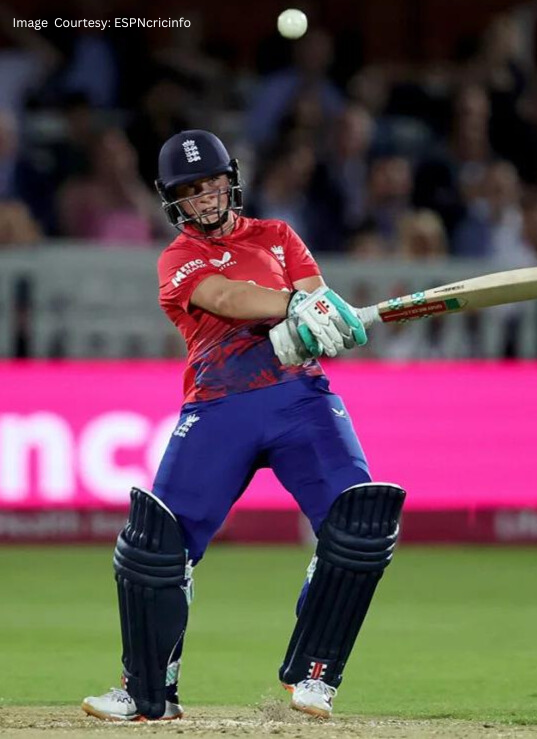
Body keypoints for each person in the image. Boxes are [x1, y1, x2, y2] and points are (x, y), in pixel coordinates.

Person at [81, 129, 406, 722]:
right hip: (218, 407)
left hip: (300, 400)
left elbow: (314, 304)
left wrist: (327, 319)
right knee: (156, 545)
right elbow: (229, 298)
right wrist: (298, 306)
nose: (205, 199)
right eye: (190, 191)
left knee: (358, 524)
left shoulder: (279, 237)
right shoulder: (177, 258)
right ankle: (145, 689)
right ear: (171, 199)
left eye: (212, 184)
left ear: (232, 180)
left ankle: (316, 676)